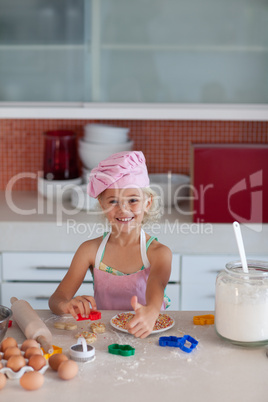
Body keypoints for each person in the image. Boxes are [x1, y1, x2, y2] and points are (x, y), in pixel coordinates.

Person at [49, 150, 172, 338]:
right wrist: (65, 305)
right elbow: (56, 299)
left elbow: (157, 284)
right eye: (113, 201)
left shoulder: (159, 253)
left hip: (149, 336)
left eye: (133, 200)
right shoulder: (90, 251)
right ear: (102, 205)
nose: (123, 210)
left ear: (148, 203)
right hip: (104, 336)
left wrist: (152, 311)